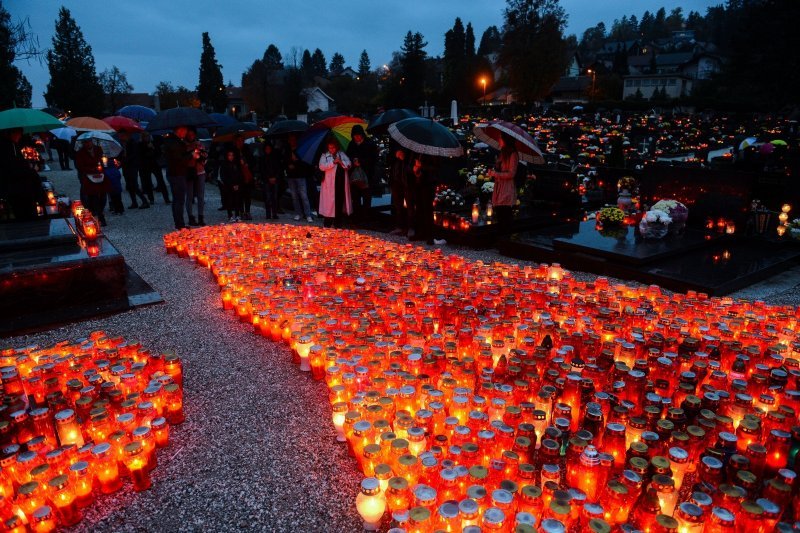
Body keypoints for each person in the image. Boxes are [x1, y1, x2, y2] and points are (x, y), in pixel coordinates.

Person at [0, 127, 44, 221]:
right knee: (24, 213)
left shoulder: (15, 145)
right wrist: (30, 168)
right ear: (12, 133)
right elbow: (12, 168)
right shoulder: (7, 147)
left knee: (26, 211)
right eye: (19, 133)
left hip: (22, 186)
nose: (20, 136)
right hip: (18, 188)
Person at [345, 124, 378, 221]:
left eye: (359, 135)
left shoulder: (370, 144)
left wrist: (361, 162)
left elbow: (374, 159)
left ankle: (366, 218)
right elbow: (348, 156)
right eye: (355, 136)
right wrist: (353, 161)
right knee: (355, 197)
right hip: (355, 175)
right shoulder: (351, 144)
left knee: (366, 198)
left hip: (367, 175)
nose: (357, 137)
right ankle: (357, 218)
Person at [164, 126, 193, 229]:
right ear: (180, 131)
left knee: (177, 199)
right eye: (185, 131)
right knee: (179, 200)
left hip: (175, 173)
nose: (186, 133)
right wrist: (191, 154)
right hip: (177, 173)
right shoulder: (174, 142)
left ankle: (179, 222)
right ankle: (180, 224)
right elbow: (179, 159)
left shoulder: (173, 141)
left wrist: (188, 152)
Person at [487, 133, 519, 228]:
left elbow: (511, 174)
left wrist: (495, 174)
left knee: (505, 212)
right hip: (499, 186)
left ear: (506, 140)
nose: (499, 140)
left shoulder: (513, 154)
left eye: (501, 139)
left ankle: (506, 236)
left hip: (506, 188)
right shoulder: (502, 153)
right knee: (499, 212)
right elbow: (500, 169)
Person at [75, 139, 109, 226]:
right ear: (83, 143)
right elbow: (79, 166)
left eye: (89, 141)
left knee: (103, 196)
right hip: (89, 177)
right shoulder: (80, 153)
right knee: (93, 197)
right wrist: (92, 169)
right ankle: (99, 217)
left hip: (100, 176)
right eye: (86, 142)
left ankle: (99, 212)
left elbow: (102, 160)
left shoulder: (98, 149)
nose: (88, 143)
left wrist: (103, 164)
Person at [318, 139, 352, 228]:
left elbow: (349, 164)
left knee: (339, 202)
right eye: (330, 148)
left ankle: (338, 223)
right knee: (329, 204)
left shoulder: (341, 154)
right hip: (329, 184)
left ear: (336, 147)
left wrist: (341, 162)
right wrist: (333, 162)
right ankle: (327, 223)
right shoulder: (325, 155)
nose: (331, 149)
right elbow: (321, 167)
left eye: (333, 148)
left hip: (340, 182)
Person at [284, 134, 313, 222]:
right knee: (294, 196)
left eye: (294, 139)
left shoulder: (301, 149)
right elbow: (284, 162)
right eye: (291, 140)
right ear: (289, 141)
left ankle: (308, 214)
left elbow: (305, 162)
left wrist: (296, 161)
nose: (292, 141)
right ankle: (298, 213)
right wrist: (288, 165)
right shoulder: (287, 150)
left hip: (300, 175)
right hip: (291, 176)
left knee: (303, 195)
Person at [410, 155, 437, 245]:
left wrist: (421, 166)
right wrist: (415, 169)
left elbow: (435, 168)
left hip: (428, 185)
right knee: (418, 209)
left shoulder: (432, 153)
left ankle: (430, 236)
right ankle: (420, 233)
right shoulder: (417, 152)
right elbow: (410, 165)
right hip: (418, 184)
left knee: (427, 210)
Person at [118, 132, 150, 209]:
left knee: (134, 184)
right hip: (126, 166)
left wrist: (126, 159)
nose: (120, 137)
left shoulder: (133, 143)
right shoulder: (122, 143)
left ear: (127, 135)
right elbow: (121, 154)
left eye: (122, 135)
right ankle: (134, 202)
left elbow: (134, 154)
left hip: (132, 166)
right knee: (129, 185)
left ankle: (144, 201)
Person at [184, 128, 207, 226]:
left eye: (192, 134)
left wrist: (201, 154)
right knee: (189, 196)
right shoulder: (184, 145)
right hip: (189, 172)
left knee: (200, 196)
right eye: (189, 134)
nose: (191, 136)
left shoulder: (199, 144)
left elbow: (205, 156)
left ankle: (201, 216)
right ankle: (190, 217)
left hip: (200, 171)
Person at [139, 132, 170, 204]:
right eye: (145, 136)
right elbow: (141, 155)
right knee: (148, 182)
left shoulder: (154, 142)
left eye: (148, 136)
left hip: (155, 164)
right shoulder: (140, 144)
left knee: (161, 181)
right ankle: (151, 199)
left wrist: (153, 148)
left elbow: (158, 153)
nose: (147, 138)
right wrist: (147, 148)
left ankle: (166, 198)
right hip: (146, 165)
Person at [388, 145, 410, 236]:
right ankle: (399, 226)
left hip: (407, 181)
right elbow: (388, 160)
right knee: (398, 205)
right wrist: (395, 156)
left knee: (410, 205)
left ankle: (410, 227)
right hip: (396, 180)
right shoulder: (395, 145)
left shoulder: (411, 147)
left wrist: (405, 158)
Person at [259, 141, 281, 219]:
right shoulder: (262, 158)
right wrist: (268, 178)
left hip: (274, 179)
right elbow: (262, 170)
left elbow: (278, 168)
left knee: (274, 197)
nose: (268, 150)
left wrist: (275, 177)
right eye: (266, 149)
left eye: (269, 148)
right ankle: (268, 214)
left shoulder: (275, 158)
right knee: (268, 197)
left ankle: (274, 213)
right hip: (266, 180)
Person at [234, 136, 255, 220]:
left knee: (247, 195)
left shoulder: (247, 149)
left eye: (241, 140)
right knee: (240, 195)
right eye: (238, 141)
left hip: (246, 175)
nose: (240, 142)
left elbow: (253, 161)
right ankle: (241, 211)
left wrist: (247, 163)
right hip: (238, 175)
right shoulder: (234, 150)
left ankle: (247, 211)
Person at [220, 150, 243, 221]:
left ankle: (237, 215)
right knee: (229, 200)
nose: (231, 157)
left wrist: (238, 184)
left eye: (232, 155)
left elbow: (239, 174)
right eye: (229, 155)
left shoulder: (236, 164)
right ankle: (230, 215)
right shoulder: (224, 164)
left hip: (237, 185)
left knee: (237, 200)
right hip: (228, 186)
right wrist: (231, 185)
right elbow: (223, 176)